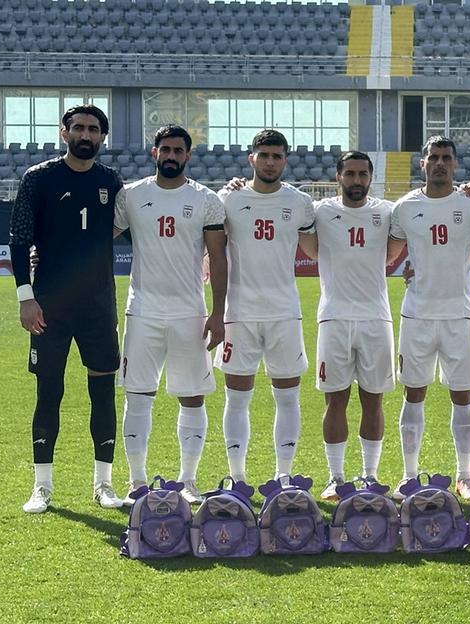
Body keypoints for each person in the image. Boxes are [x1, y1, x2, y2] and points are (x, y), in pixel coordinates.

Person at [10, 104, 125, 512]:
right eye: (78, 127)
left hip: (98, 306)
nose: (86, 135)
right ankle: (41, 486)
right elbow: (19, 239)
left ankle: (104, 484)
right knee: (49, 391)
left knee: (103, 393)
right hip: (49, 307)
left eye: (93, 129)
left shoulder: (111, 181)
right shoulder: (38, 178)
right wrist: (26, 296)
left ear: (103, 137)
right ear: (64, 133)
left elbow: (136, 219)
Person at [113, 125, 227, 505]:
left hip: (190, 313)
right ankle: (137, 481)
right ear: (154, 152)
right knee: (137, 396)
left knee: (192, 397)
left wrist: (218, 313)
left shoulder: (206, 200)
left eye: (179, 150)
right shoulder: (131, 195)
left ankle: (188, 481)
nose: (172, 156)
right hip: (142, 311)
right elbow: (97, 239)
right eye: (166, 149)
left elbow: (218, 257)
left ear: (188, 156)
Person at [386, 136, 470, 501]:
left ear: (455, 164)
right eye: (434, 157)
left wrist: (461, 260)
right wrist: (410, 267)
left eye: (446, 158)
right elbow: (390, 252)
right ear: (423, 163)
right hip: (418, 314)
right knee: (414, 393)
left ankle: (465, 476)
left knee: (463, 395)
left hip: (459, 313)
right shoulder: (405, 207)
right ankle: (409, 475)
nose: (440, 163)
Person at [216, 129, 315, 485]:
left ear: (285, 160)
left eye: (277, 156)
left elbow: (319, 248)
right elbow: (210, 248)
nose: (270, 162)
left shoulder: (300, 203)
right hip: (239, 313)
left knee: (287, 398)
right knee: (236, 399)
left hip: (284, 313)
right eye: (264, 155)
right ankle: (237, 478)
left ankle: (283, 477)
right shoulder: (228, 199)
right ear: (252, 158)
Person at [298, 151, 397, 500]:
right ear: (338, 177)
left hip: (376, 318)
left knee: (374, 401)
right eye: (350, 174)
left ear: (371, 177)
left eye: (362, 174)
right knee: (335, 400)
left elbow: (401, 245)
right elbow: (309, 249)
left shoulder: (387, 212)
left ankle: (370, 476)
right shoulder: (320, 211)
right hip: (334, 317)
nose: (357, 180)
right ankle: (336, 477)